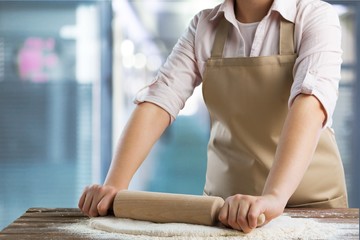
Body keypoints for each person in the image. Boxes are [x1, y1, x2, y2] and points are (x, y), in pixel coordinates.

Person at [78, 0, 348, 233]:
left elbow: (309, 104)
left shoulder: (313, 16)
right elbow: (159, 101)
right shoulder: (204, 26)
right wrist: (114, 186)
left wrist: (274, 197)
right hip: (226, 214)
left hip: (311, 207)